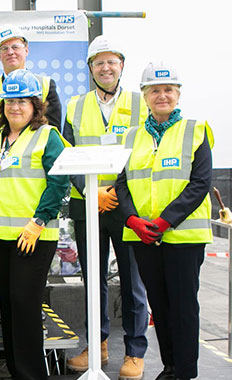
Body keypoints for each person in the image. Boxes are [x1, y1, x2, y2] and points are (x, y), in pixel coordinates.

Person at [115, 62, 213, 380]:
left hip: (183, 236)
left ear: (178, 94)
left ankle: (186, 371)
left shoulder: (196, 130)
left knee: (184, 307)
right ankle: (169, 366)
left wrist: (165, 221)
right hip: (143, 236)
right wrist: (132, 219)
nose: (162, 95)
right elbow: (121, 183)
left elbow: (199, 184)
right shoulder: (131, 137)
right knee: (159, 303)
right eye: (155, 90)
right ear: (144, 96)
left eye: (168, 89)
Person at [62, 35, 149, 380]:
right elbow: (66, 154)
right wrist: (90, 189)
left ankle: (135, 351)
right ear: (90, 68)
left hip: (126, 203)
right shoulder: (75, 106)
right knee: (92, 279)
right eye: (99, 62)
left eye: (112, 61)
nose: (106, 67)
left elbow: (145, 153)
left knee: (132, 281)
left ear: (122, 65)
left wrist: (116, 191)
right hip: (89, 204)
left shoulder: (140, 103)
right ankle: (96, 344)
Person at [0, 69, 69, 380]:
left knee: (25, 305)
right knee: (9, 306)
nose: (15, 107)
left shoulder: (47, 136)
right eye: (9, 101)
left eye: (22, 101)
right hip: (0, 235)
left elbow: (58, 182)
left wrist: (39, 220)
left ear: (35, 106)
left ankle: (32, 375)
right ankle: (17, 371)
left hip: (34, 236)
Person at [0, 24, 62, 153]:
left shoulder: (46, 85)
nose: (10, 52)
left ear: (26, 50)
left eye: (15, 47)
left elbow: (53, 130)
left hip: (34, 162)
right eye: (4, 48)